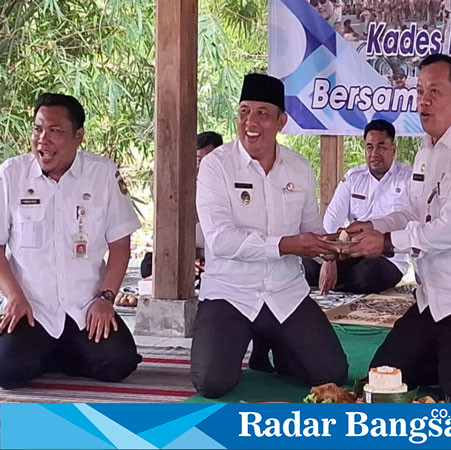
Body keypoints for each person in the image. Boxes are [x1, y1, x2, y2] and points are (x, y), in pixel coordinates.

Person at [344, 54, 451, 402]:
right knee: (382, 382)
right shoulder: (425, 151)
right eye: (420, 90)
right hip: (432, 300)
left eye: (435, 91)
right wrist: (372, 226)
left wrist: (386, 243)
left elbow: (448, 231)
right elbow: (412, 212)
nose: (424, 100)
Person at [192, 73, 348, 398]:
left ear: (281, 121)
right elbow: (220, 240)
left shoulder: (299, 167)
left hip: (284, 292)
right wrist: (288, 244)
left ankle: (272, 339)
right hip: (230, 292)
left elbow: (312, 232)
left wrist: (336, 244)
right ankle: (256, 338)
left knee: (332, 372)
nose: (251, 121)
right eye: (244, 111)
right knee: (212, 382)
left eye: (262, 113)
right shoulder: (215, 166)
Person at [0, 93, 142, 388]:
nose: (43, 140)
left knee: (120, 362)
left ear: (78, 136)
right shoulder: (11, 175)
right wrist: (14, 296)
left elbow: (120, 246)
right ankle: (53, 352)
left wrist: (106, 299)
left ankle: (55, 353)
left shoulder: (102, 175)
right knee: (7, 370)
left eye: (55, 131)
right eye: (38, 129)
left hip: (85, 307)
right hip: (31, 307)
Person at [303, 119, 411, 295]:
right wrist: (329, 259)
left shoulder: (408, 179)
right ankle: (332, 282)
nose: (374, 153)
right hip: (349, 250)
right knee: (307, 266)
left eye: (381, 146)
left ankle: (331, 286)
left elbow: (410, 220)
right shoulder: (353, 177)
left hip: (387, 256)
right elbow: (331, 220)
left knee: (363, 277)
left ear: (393, 149)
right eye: (369, 147)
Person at [140, 131, 223, 281]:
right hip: (185, 254)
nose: (201, 165)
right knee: (148, 265)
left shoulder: (227, 189)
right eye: (198, 159)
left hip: (215, 257)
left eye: (208, 160)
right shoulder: (181, 190)